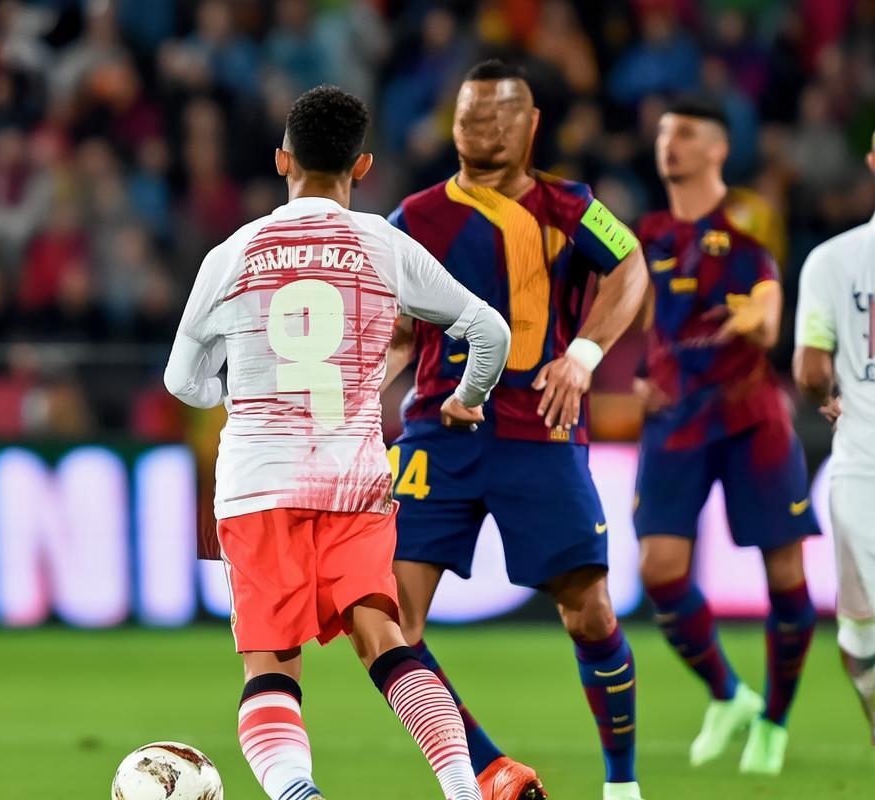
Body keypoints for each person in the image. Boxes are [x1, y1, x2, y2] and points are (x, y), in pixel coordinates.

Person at [165, 85, 512, 800]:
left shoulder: (232, 253)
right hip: (353, 483)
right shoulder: (385, 245)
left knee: (270, 666)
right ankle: (462, 789)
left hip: (258, 486)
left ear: (281, 159)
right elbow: (489, 331)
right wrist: (467, 397)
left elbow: (181, 380)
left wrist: (232, 395)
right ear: (362, 167)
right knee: (385, 640)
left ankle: (299, 792)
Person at [385, 60, 649, 800]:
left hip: (540, 430)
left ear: (531, 124)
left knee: (589, 613)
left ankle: (621, 783)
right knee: (388, 620)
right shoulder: (413, 219)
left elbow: (629, 265)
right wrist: (362, 391)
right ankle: (490, 767)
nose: (480, 127)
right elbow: (399, 333)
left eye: (497, 114)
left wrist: (584, 355)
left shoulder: (571, 206)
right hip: (437, 434)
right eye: (468, 114)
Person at [635, 96, 819, 775]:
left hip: (749, 416)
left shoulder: (746, 219)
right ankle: (729, 694)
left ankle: (775, 722)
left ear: (717, 148)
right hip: (675, 417)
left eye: (685, 133)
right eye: (664, 133)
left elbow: (767, 301)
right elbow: (645, 315)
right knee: (659, 571)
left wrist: (759, 320)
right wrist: (642, 372)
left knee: (786, 574)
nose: (669, 143)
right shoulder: (648, 232)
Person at [792, 129, 875, 744]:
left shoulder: (832, 260)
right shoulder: (832, 258)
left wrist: (824, 391)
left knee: (861, 633)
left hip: (861, 471)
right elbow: (812, 373)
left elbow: (810, 369)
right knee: (861, 634)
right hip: (861, 467)